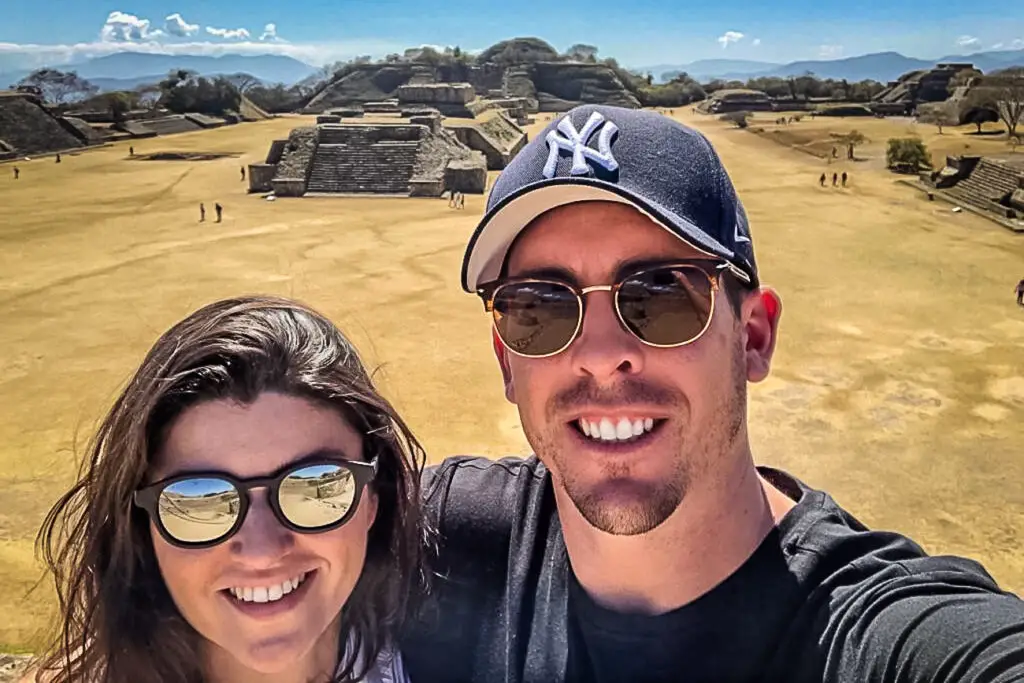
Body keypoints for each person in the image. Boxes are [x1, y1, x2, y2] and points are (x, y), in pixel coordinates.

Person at [399, 105, 1024, 682]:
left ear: (753, 336)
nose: (597, 356)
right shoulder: (445, 537)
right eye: (538, 306)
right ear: (507, 359)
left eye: (661, 293)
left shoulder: (873, 636)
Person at [32, 296, 426, 683]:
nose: (262, 552)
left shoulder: (457, 653)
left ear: (373, 498)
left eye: (316, 486)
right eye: (200, 500)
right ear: (143, 528)